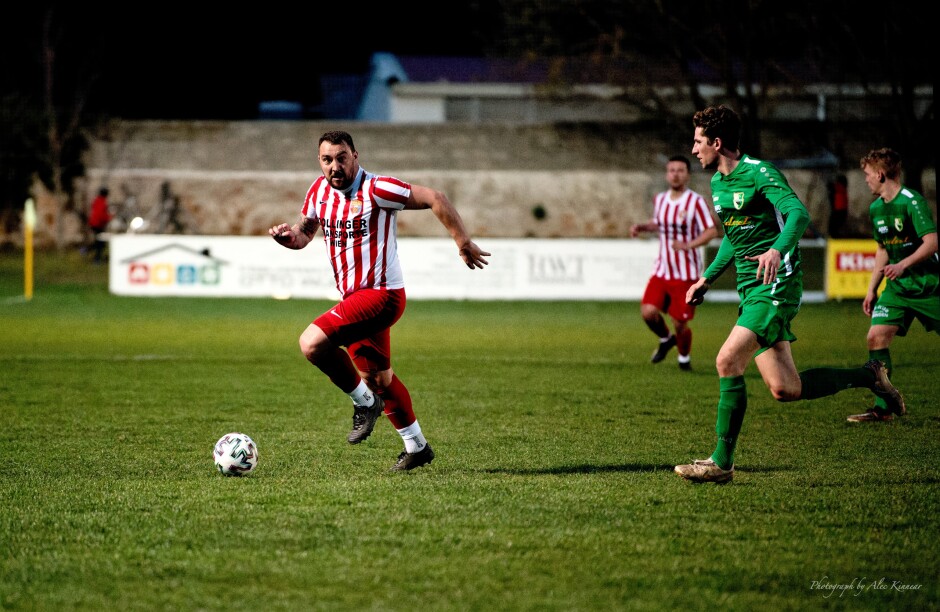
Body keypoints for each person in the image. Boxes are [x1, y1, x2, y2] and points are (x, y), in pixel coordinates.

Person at [673, 105, 906, 484]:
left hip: (777, 284)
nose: (693, 148)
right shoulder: (718, 183)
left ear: (717, 142)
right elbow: (735, 238)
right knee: (785, 388)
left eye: (698, 141)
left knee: (727, 360)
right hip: (751, 290)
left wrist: (777, 250)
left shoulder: (760, 173)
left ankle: (721, 463)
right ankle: (869, 376)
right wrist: (707, 279)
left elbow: (797, 214)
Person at [269, 130, 490, 471]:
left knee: (312, 344)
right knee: (378, 378)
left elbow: (435, 197)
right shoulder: (318, 192)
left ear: (356, 155)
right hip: (354, 299)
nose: (335, 166)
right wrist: (290, 238)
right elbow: (305, 233)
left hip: (382, 294)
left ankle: (364, 404)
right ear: (320, 162)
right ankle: (417, 446)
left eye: (342, 157)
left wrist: (462, 241)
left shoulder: (377, 188)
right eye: (327, 160)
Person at [849, 148, 939, 422]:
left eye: (867, 174)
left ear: (880, 174)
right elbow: (883, 250)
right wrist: (872, 288)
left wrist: (903, 265)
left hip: (929, 285)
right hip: (897, 289)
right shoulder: (876, 208)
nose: (865, 180)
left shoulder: (912, 202)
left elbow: (932, 242)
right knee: (876, 337)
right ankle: (883, 408)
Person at [630, 155, 718, 370]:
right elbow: (658, 223)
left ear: (687, 175)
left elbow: (711, 231)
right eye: (671, 170)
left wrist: (689, 245)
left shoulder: (695, 202)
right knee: (648, 312)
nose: (675, 174)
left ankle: (684, 360)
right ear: (667, 174)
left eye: (680, 170)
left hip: (686, 273)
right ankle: (666, 339)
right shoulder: (660, 200)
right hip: (662, 270)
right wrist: (643, 227)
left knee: (680, 323)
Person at [87, 187, 112, 263]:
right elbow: (100, 215)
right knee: (100, 242)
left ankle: (91, 253)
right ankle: (96, 258)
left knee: (98, 241)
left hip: (94, 223)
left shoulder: (97, 200)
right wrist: (109, 218)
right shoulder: (102, 202)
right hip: (98, 224)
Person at [827, 174, 849, 238]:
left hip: (839, 210)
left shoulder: (839, 187)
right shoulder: (842, 188)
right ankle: (835, 235)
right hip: (841, 210)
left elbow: (830, 185)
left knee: (834, 225)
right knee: (836, 225)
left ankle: (834, 236)